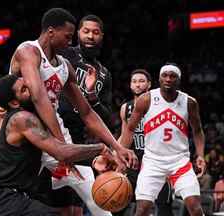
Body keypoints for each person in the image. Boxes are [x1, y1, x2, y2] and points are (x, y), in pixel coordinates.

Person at [0, 8, 137, 216]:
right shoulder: (28, 51)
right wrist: (61, 148)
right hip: (26, 134)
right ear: (51, 32)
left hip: (54, 134)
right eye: (68, 36)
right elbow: (38, 96)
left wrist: (116, 146)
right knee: (17, 201)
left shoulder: (65, 66)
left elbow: (87, 113)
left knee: (91, 188)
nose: (70, 43)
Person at [0, 74, 116, 216]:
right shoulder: (21, 119)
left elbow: (56, 154)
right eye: (24, 89)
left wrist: (92, 161)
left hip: (9, 198)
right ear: (14, 103)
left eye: (27, 83)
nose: (30, 87)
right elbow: (61, 152)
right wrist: (100, 148)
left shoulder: (35, 118)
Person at [95, 63, 206, 216]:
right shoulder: (146, 99)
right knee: (142, 209)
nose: (168, 79)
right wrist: (120, 156)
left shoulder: (189, 102)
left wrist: (200, 155)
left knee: (194, 207)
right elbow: (129, 129)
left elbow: (198, 131)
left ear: (179, 80)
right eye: (164, 75)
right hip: (153, 161)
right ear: (159, 79)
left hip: (180, 161)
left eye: (172, 76)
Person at [57, 14, 113, 214]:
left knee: (76, 209)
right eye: (86, 31)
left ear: (102, 37)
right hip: (55, 134)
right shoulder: (64, 55)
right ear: (78, 33)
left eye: (96, 32)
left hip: (79, 140)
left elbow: (107, 117)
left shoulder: (104, 74)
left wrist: (91, 95)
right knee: (57, 205)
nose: (91, 36)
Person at [116, 69, 174, 216]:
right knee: (118, 202)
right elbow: (124, 137)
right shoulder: (126, 108)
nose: (137, 84)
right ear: (130, 85)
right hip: (134, 163)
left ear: (149, 84)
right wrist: (117, 159)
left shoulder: (160, 104)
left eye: (141, 81)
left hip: (157, 162)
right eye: (134, 81)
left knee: (164, 205)